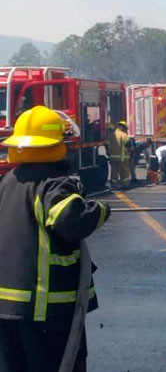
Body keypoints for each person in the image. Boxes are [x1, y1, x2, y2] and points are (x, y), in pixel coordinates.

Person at [0, 106, 111, 372]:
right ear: (57, 144)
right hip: (47, 311)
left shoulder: (7, 183)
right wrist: (102, 210)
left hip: (6, 311)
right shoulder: (55, 183)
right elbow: (71, 222)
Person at [106, 121, 132, 189]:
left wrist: (108, 152)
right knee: (124, 171)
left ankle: (114, 184)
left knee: (114, 171)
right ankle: (125, 184)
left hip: (113, 157)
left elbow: (107, 144)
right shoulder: (124, 135)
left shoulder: (111, 135)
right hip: (123, 157)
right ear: (123, 127)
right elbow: (128, 145)